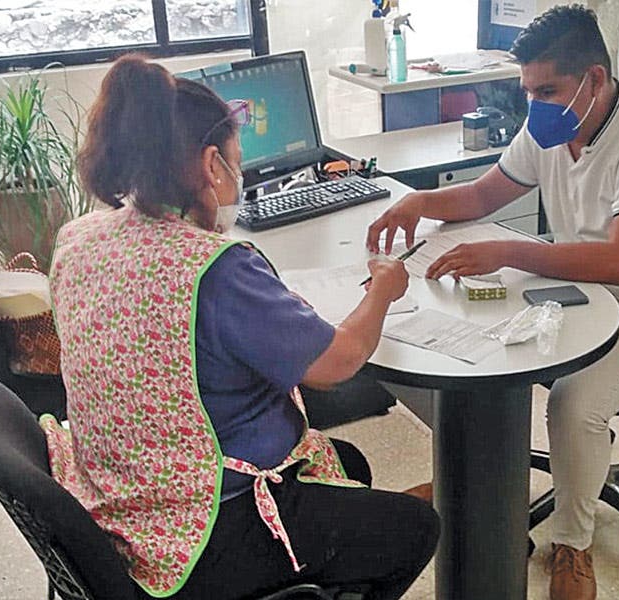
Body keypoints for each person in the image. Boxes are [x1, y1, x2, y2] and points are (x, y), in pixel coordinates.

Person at [40, 54, 438, 600]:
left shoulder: (79, 236)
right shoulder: (216, 268)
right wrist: (384, 290)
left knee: (348, 464)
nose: (239, 177)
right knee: (416, 528)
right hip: (203, 525)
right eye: (236, 163)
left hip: (123, 500)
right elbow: (338, 364)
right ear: (212, 166)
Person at [366, 5, 619, 600]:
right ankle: (471, 485)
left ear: (594, 79)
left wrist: (508, 251)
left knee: (574, 405)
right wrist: (418, 202)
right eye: (528, 91)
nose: (535, 104)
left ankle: (572, 544)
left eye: (546, 90)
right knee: (456, 340)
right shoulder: (551, 125)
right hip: (580, 293)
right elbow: (483, 196)